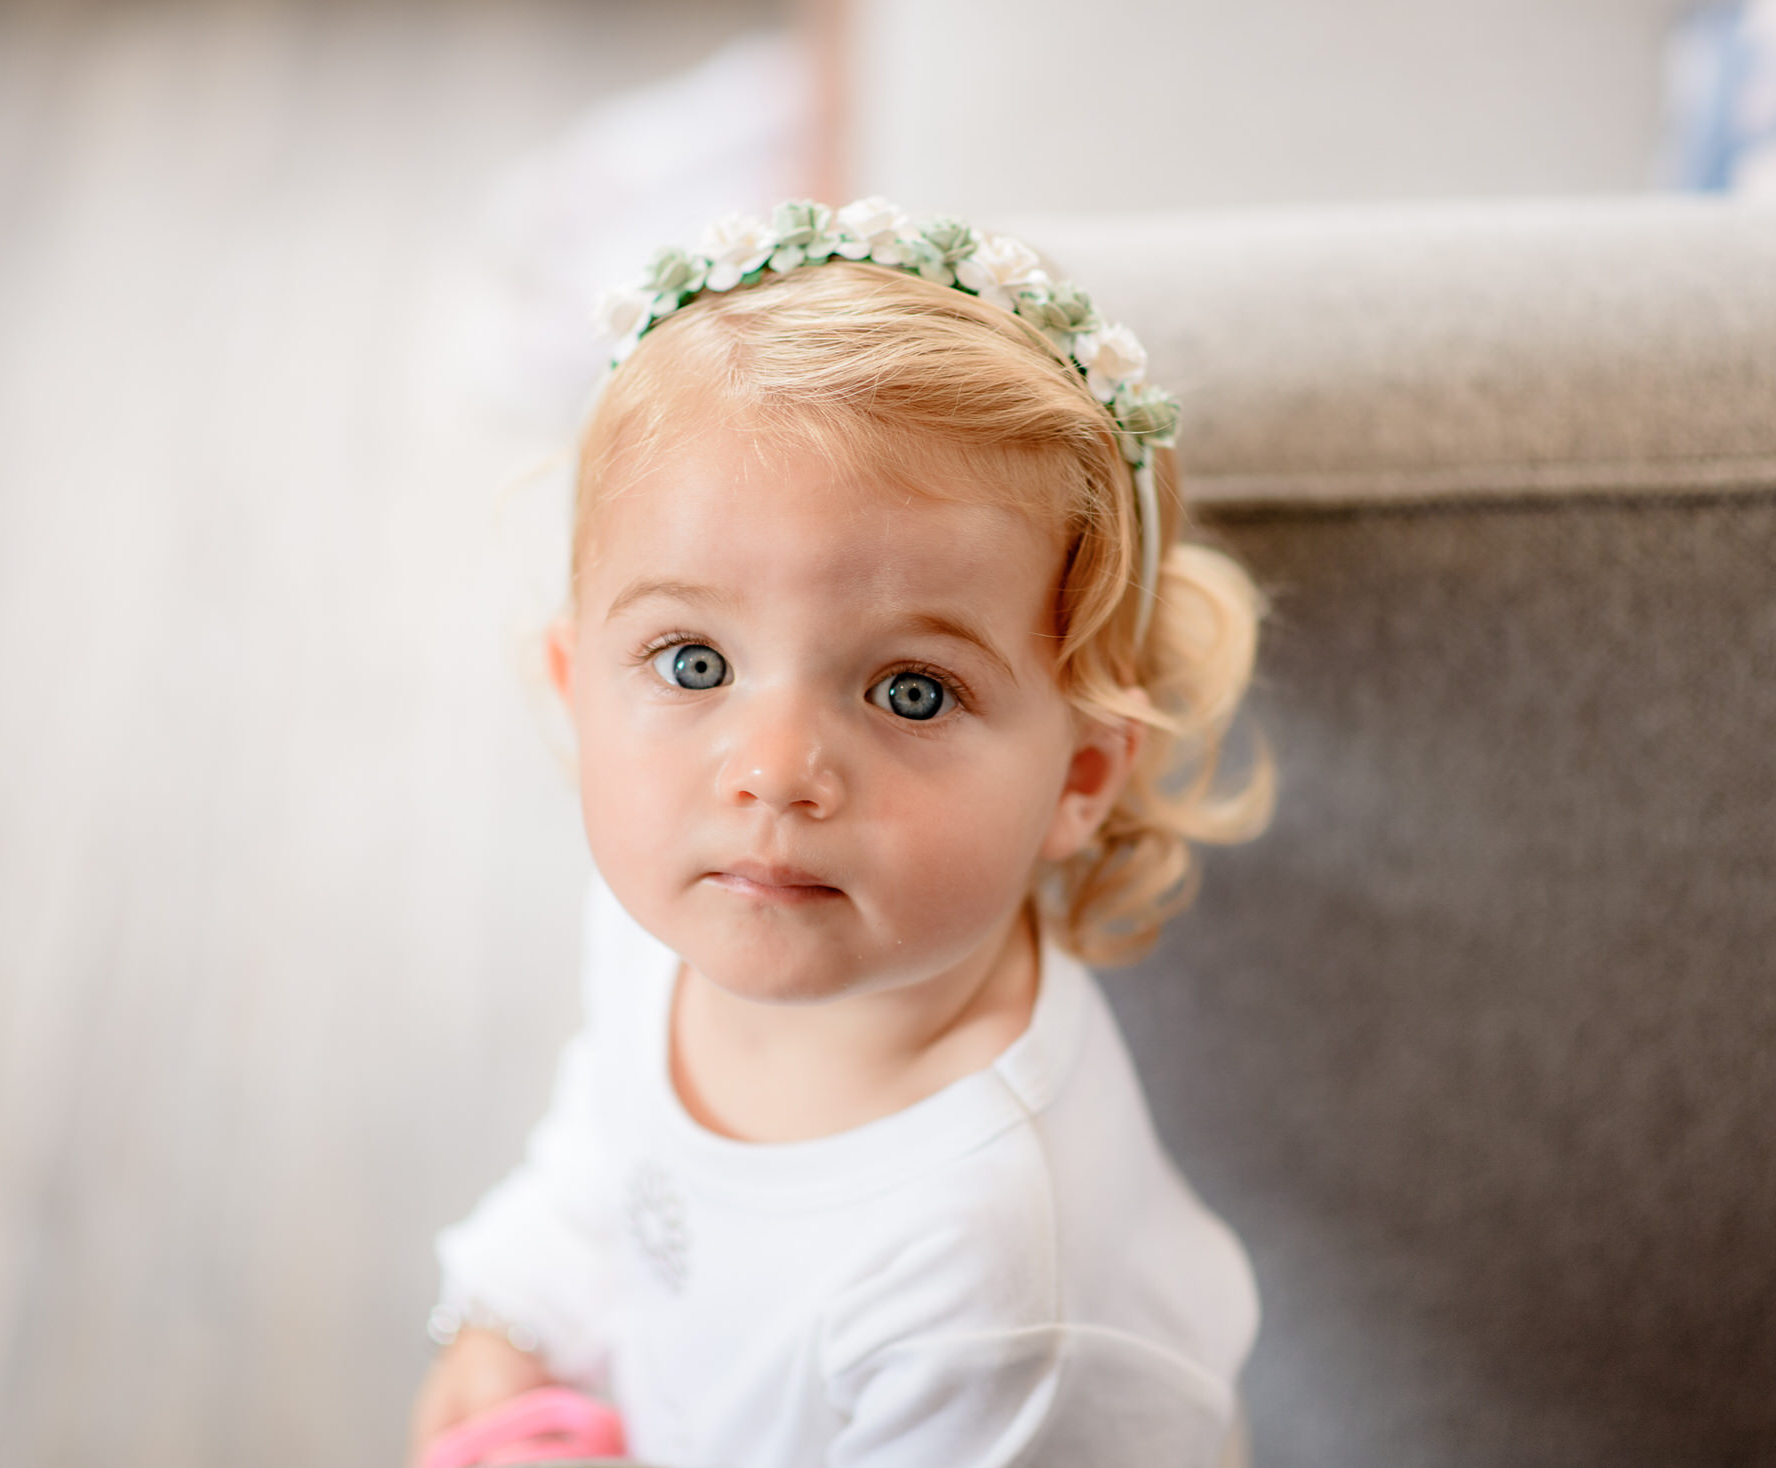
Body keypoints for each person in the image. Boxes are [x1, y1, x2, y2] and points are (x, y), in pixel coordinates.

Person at [409, 198, 1275, 1468]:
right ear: (572, 677)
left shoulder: (990, 1281)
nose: (770, 774)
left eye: (910, 690)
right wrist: (513, 1317)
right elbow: (611, 1145)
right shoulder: (696, 900)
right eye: (693, 660)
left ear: (1081, 772)